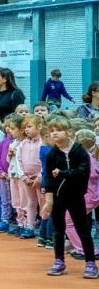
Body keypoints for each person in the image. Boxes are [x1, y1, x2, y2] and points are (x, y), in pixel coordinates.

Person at [42, 114, 97, 277]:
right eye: (51, 131)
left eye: (58, 130)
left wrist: (63, 173)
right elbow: (48, 177)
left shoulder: (79, 152)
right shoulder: (52, 154)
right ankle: (59, 262)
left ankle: (91, 263)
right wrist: (49, 201)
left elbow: (83, 173)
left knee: (83, 229)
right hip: (59, 198)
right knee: (58, 230)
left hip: (76, 196)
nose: (54, 134)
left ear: (69, 132)